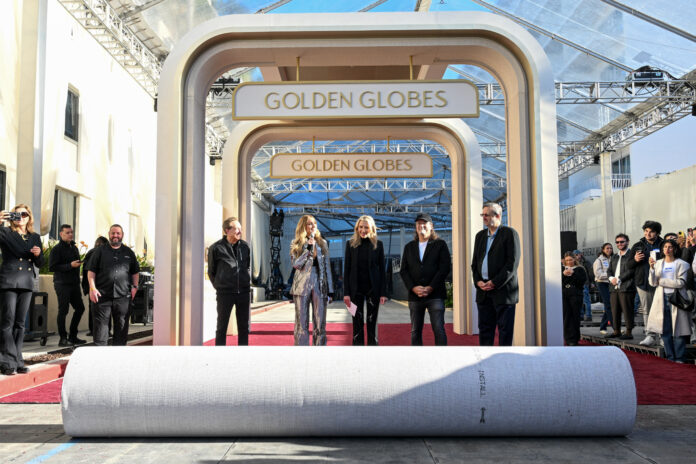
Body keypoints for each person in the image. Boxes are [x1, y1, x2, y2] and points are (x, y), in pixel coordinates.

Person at [0, 205, 44, 376]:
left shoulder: (34, 237)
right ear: (12, 217)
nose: (21, 217)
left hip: (26, 282)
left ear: (29, 217)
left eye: (24, 214)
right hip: (9, 281)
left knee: (20, 323)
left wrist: (39, 254)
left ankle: (17, 360)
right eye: (17, 214)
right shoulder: (5, 233)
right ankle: (7, 361)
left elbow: (40, 263)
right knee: (7, 322)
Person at [471, 202, 520, 346]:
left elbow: (512, 264)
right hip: (483, 292)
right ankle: (485, 364)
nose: (483, 217)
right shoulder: (480, 236)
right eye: (482, 214)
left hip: (503, 292)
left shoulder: (509, 234)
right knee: (485, 330)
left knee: (505, 332)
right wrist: (478, 281)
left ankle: (504, 362)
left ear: (497, 215)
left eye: (487, 214)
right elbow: (474, 264)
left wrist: (494, 282)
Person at [400, 213, 451, 346]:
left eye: (424, 223)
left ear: (431, 226)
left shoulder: (440, 244)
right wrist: (413, 287)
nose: (421, 226)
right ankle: (417, 359)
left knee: (438, 329)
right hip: (415, 296)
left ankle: (442, 357)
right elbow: (404, 271)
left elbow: (444, 268)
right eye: (418, 224)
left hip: (435, 294)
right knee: (415, 330)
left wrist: (431, 287)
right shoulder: (409, 247)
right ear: (416, 227)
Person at [87, 224, 140, 346]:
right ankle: (100, 359)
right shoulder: (99, 251)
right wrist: (92, 288)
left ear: (122, 235)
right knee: (101, 330)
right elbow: (91, 271)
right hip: (102, 296)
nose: (115, 235)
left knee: (121, 329)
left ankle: (118, 359)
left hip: (122, 297)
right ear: (109, 234)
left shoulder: (129, 253)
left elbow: (135, 272)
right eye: (113, 233)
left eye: (118, 233)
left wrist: (135, 287)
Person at [343, 215, 387, 345]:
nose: (363, 230)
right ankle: (358, 350)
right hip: (355, 290)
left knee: (372, 321)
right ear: (357, 228)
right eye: (360, 227)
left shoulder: (378, 245)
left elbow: (382, 271)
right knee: (356, 322)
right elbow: (347, 270)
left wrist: (383, 292)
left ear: (372, 228)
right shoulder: (350, 244)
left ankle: (373, 349)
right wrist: (346, 293)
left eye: (366, 227)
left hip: (373, 289)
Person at [645, 239, 691, 363]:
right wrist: (652, 269)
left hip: (677, 299)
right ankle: (670, 357)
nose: (667, 249)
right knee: (665, 330)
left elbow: (681, 283)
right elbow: (653, 282)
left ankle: (679, 358)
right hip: (661, 299)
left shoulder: (682, 264)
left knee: (679, 330)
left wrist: (663, 281)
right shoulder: (658, 263)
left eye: (670, 247)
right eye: (665, 247)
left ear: (675, 249)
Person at [207, 217, 251, 346]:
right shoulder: (216, 248)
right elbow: (211, 271)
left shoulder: (245, 246)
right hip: (224, 294)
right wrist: (220, 286)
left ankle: (243, 353)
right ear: (227, 230)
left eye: (240, 228)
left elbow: (246, 266)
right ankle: (220, 354)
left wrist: (244, 282)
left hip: (243, 292)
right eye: (236, 228)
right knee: (222, 326)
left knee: (243, 327)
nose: (240, 231)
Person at [290, 215, 333, 345]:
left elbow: (327, 267)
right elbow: (296, 265)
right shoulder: (296, 243)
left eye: (314, 223)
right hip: (301, 284)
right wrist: (308, 249)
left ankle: (319, 354)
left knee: (320, 323)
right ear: (303, 226)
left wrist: (330, 290)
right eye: (309, 224)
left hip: (319, 283)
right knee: (301, 323)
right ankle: (301, 354)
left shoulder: (322, 243)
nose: (313, 226)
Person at [49, 224, 87, 347]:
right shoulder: (56, 249)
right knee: (63, 310)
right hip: (62, 284)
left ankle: (73, 335)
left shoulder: (74, 247)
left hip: (74, 284)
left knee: (80, 308)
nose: (70, 234)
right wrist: (70, 265)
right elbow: (52, 267)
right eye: (67, 232)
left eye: (71, 232)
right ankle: (63, 338)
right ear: (61, 234)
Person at [629, 220, 664, 346]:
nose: (648, 234)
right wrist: (635, 260)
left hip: (660, 282)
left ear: (657, 233)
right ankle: (649, 335)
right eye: (646, 231)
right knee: (647, 310)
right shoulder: (638, 245)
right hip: (643, 282)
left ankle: (662, 336)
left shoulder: (664, 244)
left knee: (661, 309)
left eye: (651, 232)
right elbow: (629, 265)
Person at [605, 234, 636, 340]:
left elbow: (631, 270)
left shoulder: (632, 255)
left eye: (622, 242)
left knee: (627, 310)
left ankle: (628, 332)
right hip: (614, 287)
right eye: (617, 242)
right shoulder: (614, 256)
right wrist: (611, 278)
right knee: (615, 310)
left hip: (626, 286)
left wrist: (619, 279)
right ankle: (616, 331)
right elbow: (609, 270)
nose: (619, 244)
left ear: (627, 242)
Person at [81, 236, 109, 337]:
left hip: (91, 285)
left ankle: (93, 330)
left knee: (93, 309)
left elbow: (85, 271)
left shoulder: (89, 253)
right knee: (106, 309)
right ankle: (106, 330)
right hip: (103, 285)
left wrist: (86, 286)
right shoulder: (105, 253)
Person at [562, 252, 586, 346]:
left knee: (575, 316)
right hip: (565, 295)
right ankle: (568, 338)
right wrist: (564, 274)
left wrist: (573, 274)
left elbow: (581, 282)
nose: (569, 262)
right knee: (567, 316)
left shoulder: (580, 269)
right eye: (567, 260)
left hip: (576, 294)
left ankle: (575, 338)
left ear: (574, 260)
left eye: (570, 260)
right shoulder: (562, 270)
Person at [592, 243, 614, 334]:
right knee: (608, 305)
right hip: (602, 284)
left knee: (610, 305)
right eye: (607, 248)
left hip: (611, 283)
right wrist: (610, 276)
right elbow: (598, 275)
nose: (609, 250)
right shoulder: (599, 260)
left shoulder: (613, 259)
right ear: (603, 250)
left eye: (611, 248)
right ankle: (615, 327)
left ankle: (603, 327)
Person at [573, 250, 594, 322]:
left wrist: (592, 282)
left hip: (585, 283)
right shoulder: (574, 263)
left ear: (580, 254)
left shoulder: (586, 262)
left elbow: (590, 273)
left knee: (586, 300)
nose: (576, 256)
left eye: (577, 254)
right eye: (575, 255)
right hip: (578, 284)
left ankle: (588, 316)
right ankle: (581, 315)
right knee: (580, 300)